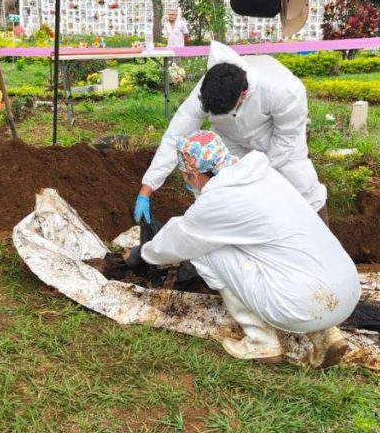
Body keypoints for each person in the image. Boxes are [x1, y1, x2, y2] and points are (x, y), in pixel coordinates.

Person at [129, 130, 359, 364]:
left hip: (301, 305)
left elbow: (181, 240)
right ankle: (327, 335)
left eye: (186, 177)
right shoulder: (264, 175)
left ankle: (261, 341)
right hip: (347, 291)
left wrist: (145, 253)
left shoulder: (218, 199)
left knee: (204, 249)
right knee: (279, 254)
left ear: (194, 175)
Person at [134, 41, 328, 224]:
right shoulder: (209, 87)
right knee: (219, 192)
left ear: (243, 95)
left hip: (276, 142)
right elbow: (176, 135)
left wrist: (254, 176)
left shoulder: (285, 91)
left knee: (301, 186)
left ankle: (320, 240)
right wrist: (147, 188)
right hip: (230, 140)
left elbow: (286, 141)